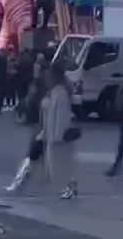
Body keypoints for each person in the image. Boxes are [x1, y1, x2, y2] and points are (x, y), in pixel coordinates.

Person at [6, 56, 50, 192]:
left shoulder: (39, 87)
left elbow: (30, 103)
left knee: (32, 155)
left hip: (39, 126)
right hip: (41, 125)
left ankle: (20, 182)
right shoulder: (45, 87)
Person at [42, 62, 79, 199]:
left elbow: (62, 116)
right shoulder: (55, 91)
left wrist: (58, 135)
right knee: (62, 163)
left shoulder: (60, 93)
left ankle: (70, 186)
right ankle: (68, 186)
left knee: (63, 163)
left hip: (59, 135)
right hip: (55, 133)